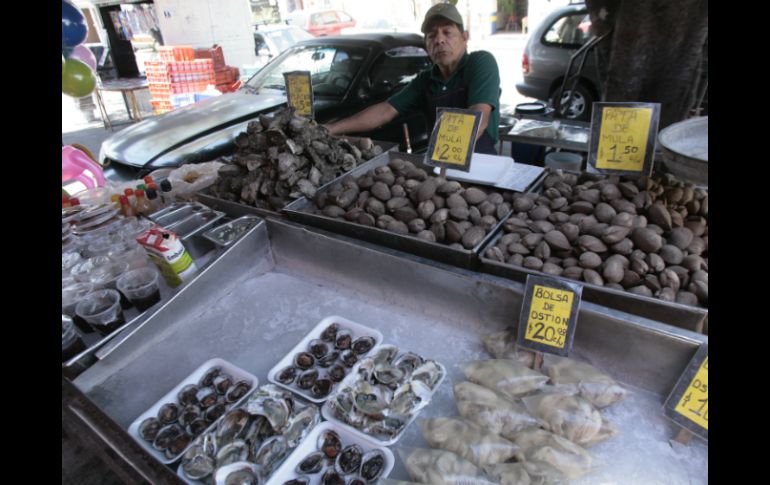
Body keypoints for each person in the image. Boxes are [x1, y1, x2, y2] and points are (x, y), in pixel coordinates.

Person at [325, 3, 501, 155]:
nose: (439, 40)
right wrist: (331, 129)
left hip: (482, 161)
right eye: (432, 35)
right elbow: (385, 110)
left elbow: (479, 117)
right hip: (442, 164)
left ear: (464, 37)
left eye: (447, 32)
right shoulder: (425, 80)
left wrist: (445, 157)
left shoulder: (480, 62)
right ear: (426, 44)